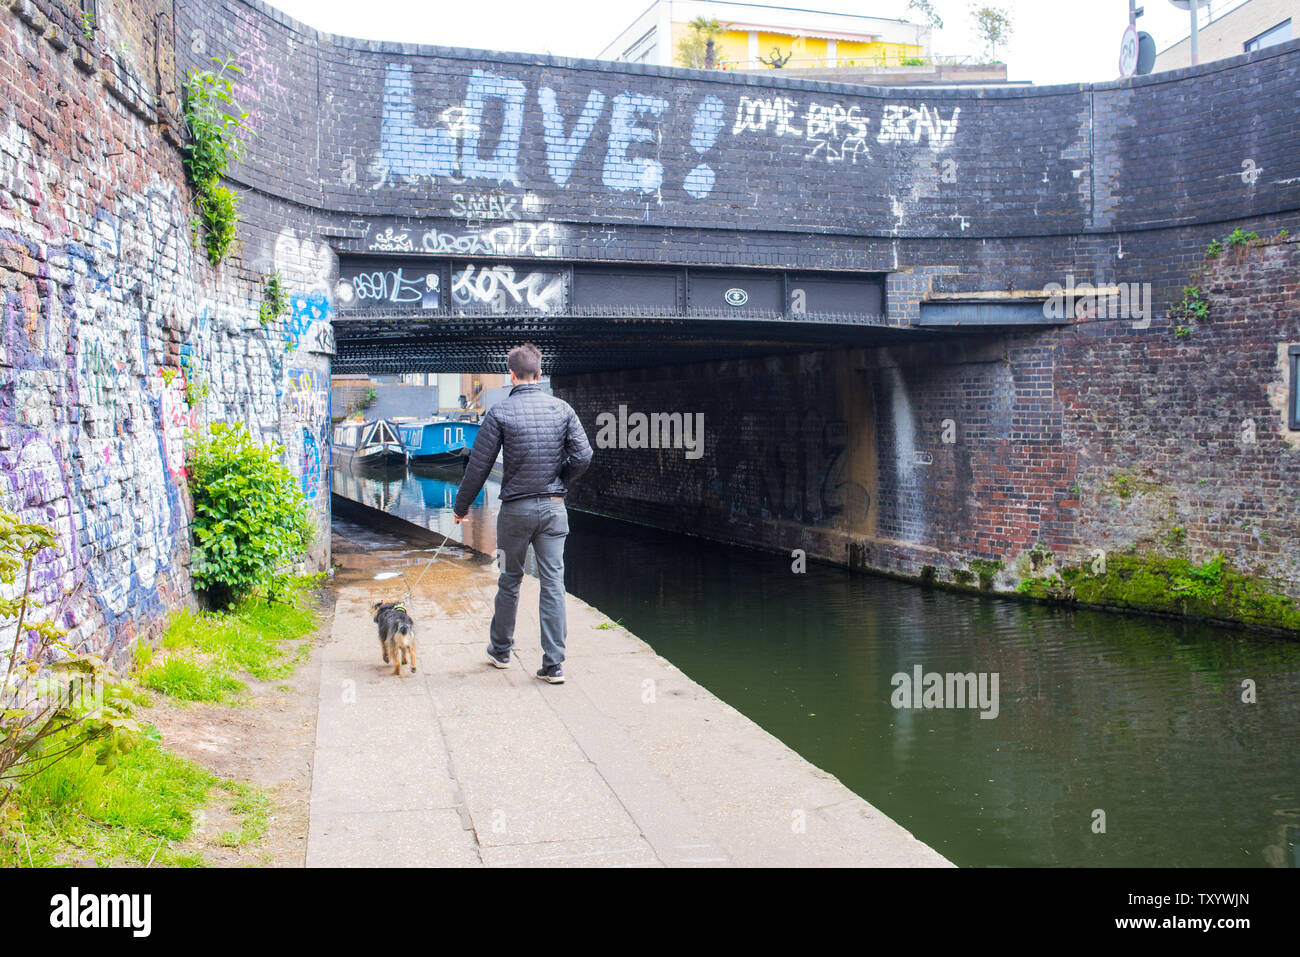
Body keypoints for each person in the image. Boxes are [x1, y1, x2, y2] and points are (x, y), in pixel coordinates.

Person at [453, 344, 592, 684]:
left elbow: (479, 467)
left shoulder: (500, 413)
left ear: (511, 375)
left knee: (509, 580)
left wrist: (460, 507)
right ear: (540, 374)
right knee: (553, 584)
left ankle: (501, 651)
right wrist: (562, 477)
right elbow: (584, 455)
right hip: (554, 510)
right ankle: (553, 664)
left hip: (515, 512)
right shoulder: (563, 409)